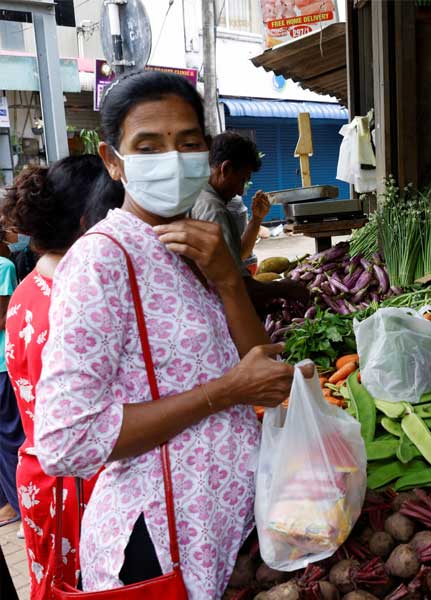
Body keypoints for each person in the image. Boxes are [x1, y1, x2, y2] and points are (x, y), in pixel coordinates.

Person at [33, 70, 311, 598]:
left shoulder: (194, 245)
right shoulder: (101, 260)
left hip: (222, 527)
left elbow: (260, 363)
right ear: (113, 161)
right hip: (158, 540)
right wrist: (224, 392)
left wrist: (228, 279)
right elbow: (66, 440)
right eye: (148, 146)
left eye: (187, 143)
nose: (172, 159)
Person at [2, 155, 124, 598]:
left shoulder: (27, 289)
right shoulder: (76, 303)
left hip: (43, 479)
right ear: (89, 222)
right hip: (80, 487)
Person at [191, 132, 308, 313]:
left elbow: (238, 256)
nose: (240, 191)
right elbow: (239, 288)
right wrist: (284, 288)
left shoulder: (197, 194)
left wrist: (256, 219)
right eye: (242, 180)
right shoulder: (213, 210)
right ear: (226, 169)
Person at [0, 232, 21, 531]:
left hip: (4, 366)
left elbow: (5, 317)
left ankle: (21, 507)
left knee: (11, 441)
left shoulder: (4, 267)